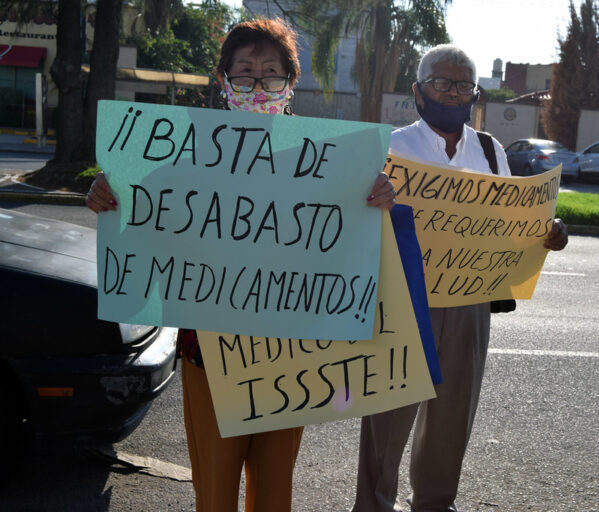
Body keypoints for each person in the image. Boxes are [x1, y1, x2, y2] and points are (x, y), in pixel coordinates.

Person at [85, 18, 396, 512]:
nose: (257, 85)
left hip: (288, 353)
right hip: (209, 347)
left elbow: (354, 237)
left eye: (270, 73)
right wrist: (108, 193)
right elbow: (140, 209)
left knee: (275, 490)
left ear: (290, 84)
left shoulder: (324, 158)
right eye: (244, 71)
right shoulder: (186, 151)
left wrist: (378, 194)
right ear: (223, 79)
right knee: (215, 489)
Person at [351, 45, 568, 512]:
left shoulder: (490, 150)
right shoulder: (389, 146)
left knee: (453, 411)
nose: (453, 93)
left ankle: (434, 502)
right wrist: (372, 196)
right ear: (419, 90)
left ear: (475, 94)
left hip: (469, 300)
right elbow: (354, 220)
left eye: (463, 85)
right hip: (401, 297)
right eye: (441, 83)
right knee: (387, 413)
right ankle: (373, 505)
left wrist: (545, 235)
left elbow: (510, 226)